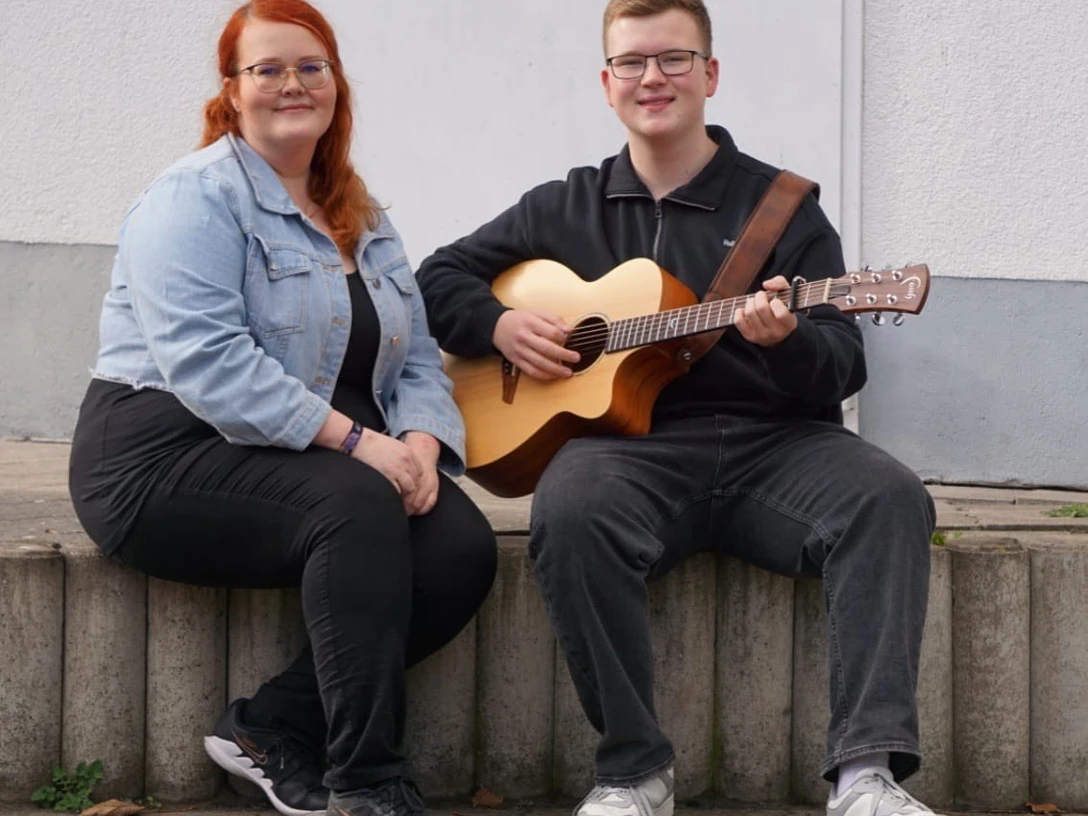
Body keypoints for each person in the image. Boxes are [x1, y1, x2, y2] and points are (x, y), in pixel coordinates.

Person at [416, 2, 937, 816]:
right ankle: (633, 772)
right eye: (632, 62)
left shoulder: (784, 208)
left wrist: (786, 339)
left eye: (673, 58)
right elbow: (437, 280)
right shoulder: (566, 206)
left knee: (891, 496)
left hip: (779, 449)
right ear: (607, 82)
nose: (652, 77)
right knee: (571, 507)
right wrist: (502, 325)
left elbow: (842, 362)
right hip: (632, 451)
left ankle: (865, 775)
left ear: (710, 74)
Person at [67, 2, 496, 816]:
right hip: (156, 454)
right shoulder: (193, 198)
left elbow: (412, 354)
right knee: (356, 505)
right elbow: (210, 366)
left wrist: (420, 447)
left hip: (290, 449)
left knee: (461, 548)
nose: (291, 84)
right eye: (266, 69)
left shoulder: (363, 216)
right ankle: (368, 783)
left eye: (311, 66)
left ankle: (269, 728)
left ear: (337, 84)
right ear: (231, 92)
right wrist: (363, 447)